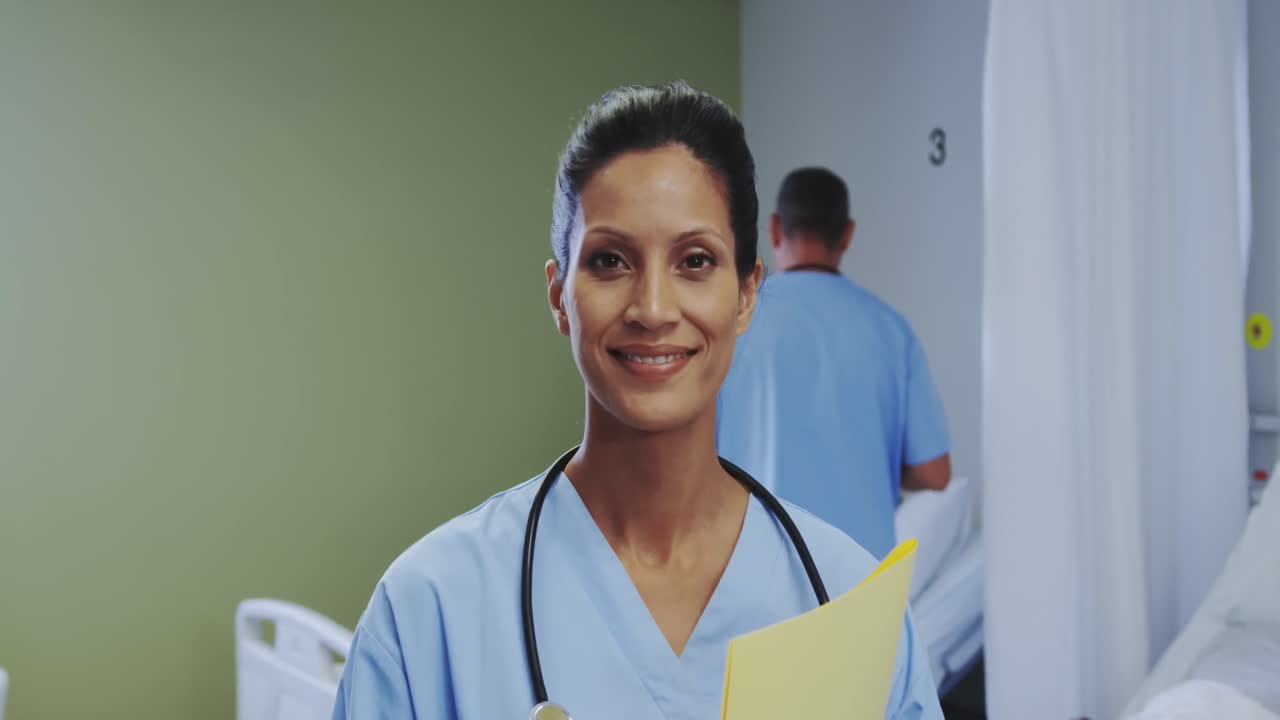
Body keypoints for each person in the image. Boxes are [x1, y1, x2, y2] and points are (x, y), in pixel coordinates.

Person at [332, 83, 942, 719]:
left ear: (747, 293)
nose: (652, 309)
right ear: (558, 295)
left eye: (696, 260)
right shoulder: (428, 611)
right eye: (610, 261)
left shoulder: (848, 601)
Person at [716, 167, 951, 560]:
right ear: (847, 234)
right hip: (861, 584)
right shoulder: (891, 331)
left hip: (756, 574)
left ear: (774, 230)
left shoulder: (731, 325)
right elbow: (935, 473)